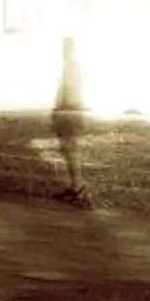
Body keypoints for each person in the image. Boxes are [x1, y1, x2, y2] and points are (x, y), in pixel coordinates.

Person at [52, 37, 87, 200]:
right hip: (72, 110)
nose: (62, 51)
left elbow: (66, 91)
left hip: (69, 111)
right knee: (69, 150)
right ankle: (75, 186)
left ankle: (76, 187)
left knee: (70, 150)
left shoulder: (70, 67)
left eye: (64, 47)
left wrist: (58, 111)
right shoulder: (72, 66)